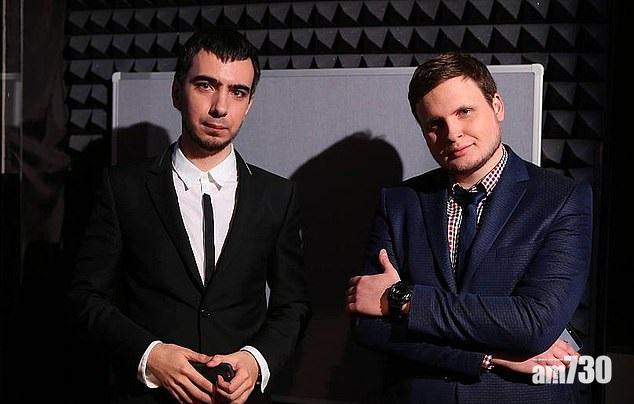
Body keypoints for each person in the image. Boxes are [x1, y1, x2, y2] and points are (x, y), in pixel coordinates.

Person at [67, 28, 310, 404]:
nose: (220, 107)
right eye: (206, 85)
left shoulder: (276, 196)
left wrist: (256, 361)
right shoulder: (123, 188)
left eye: (237, 92)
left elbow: (293, 305)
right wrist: (149, 356)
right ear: (177, 92)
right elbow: (85, 297)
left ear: (249, 104)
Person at [346, 52, 591, 403]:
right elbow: (368, 324)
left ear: (497, 106)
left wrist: (402, 299)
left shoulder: (562, 199)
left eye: (464, 112)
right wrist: (487, 356)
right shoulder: (399, 202)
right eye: (435, 124)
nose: (452, 134)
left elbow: (534, 324)